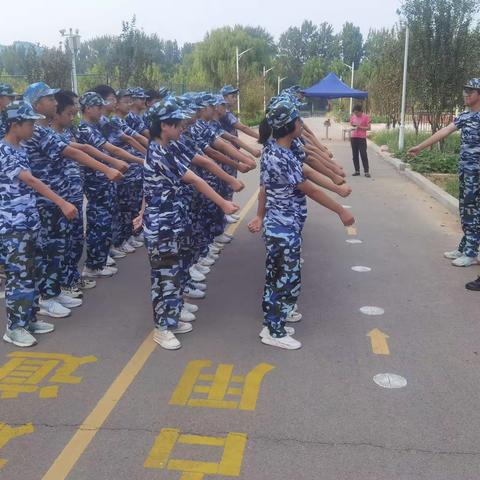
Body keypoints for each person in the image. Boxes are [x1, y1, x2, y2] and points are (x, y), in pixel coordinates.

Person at [135, 98, 239, 350]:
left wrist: (141, 211)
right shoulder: (159, 153)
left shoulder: (166, 147)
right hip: (162, 227)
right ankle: (162, 327)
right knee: (164, 277)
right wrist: (223, 203)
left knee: (176, 271)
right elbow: (194, 179)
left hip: (172, 220)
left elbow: (148, 188)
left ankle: (173, 313)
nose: (182, 126)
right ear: (164, 125)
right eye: (177, 123)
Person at [250, 100, 354, 350]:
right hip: (282, 227)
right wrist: (340, 211)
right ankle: (273, 330)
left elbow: (265, 188)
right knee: (283, 278)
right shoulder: (279, 156)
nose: (301, 124)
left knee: (281, 275)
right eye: (298, 121)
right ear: (289, 126)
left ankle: (274, 322)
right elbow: (309, 189)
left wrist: (260, 216)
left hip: (283, 225)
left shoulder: (277, 151)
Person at [0, 101, 77, 347]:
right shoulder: (4, 150)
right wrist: (62, 202)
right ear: (15, 125)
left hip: (29, 222)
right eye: (30, 123)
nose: (34, 126)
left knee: (31, 273)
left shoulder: (20, 148)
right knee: (19, 276)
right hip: (13, 225)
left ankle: (28, 318)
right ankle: (14, 327)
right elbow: (31, 180)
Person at [408, 78, 480, 270]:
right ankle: (466, 247)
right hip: (467, 171)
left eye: (470, 91)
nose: (466, 94)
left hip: (477, 173)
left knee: (473, 210)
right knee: (466, 210)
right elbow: (444, 131)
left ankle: (472, 254)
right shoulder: (465, 116)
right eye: (465, 90)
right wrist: (420, 147)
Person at [350, 104, 371, 177]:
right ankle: (357, 170)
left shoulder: (366, 117)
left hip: (362, 138)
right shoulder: (353, 117)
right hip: (354, 137)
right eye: (354, 113)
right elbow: (352, 125)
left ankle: (366, 171)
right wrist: (353, 127)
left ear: (360, 111)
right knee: (355, 155)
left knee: (363, 154)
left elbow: (368, 128)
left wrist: (360, 127)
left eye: (356, 113)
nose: (355, 114)